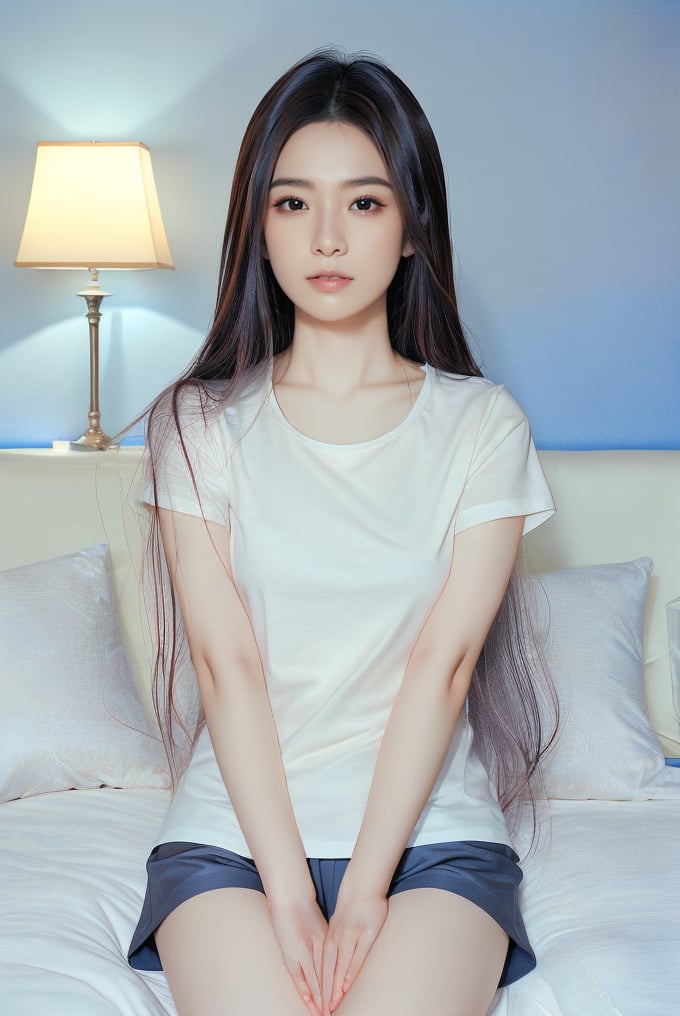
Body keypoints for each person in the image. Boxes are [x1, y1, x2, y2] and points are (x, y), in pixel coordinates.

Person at [127, 48, 557, 1016]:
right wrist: (286, 890)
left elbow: (441, 666)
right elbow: (223, 658)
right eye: (292, 204)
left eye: (362, 203)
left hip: (433, 843)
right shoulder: (195, 425)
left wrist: (365, 889)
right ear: (259, 230)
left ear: (410, 228)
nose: (326, 236)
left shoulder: (482, 425)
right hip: (231, 841)